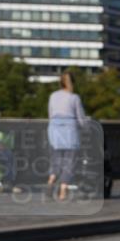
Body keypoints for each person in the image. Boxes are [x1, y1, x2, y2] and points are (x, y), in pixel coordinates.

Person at [46, 71, 88, 201]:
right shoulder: (74, 97)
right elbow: (81, 118)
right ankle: (63, 191)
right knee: (70, 162)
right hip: (70, 132)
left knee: (56, 160)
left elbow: (50, 114)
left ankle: (51, 179)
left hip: (54, 131)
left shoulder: (53, 96)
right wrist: (86, 126)